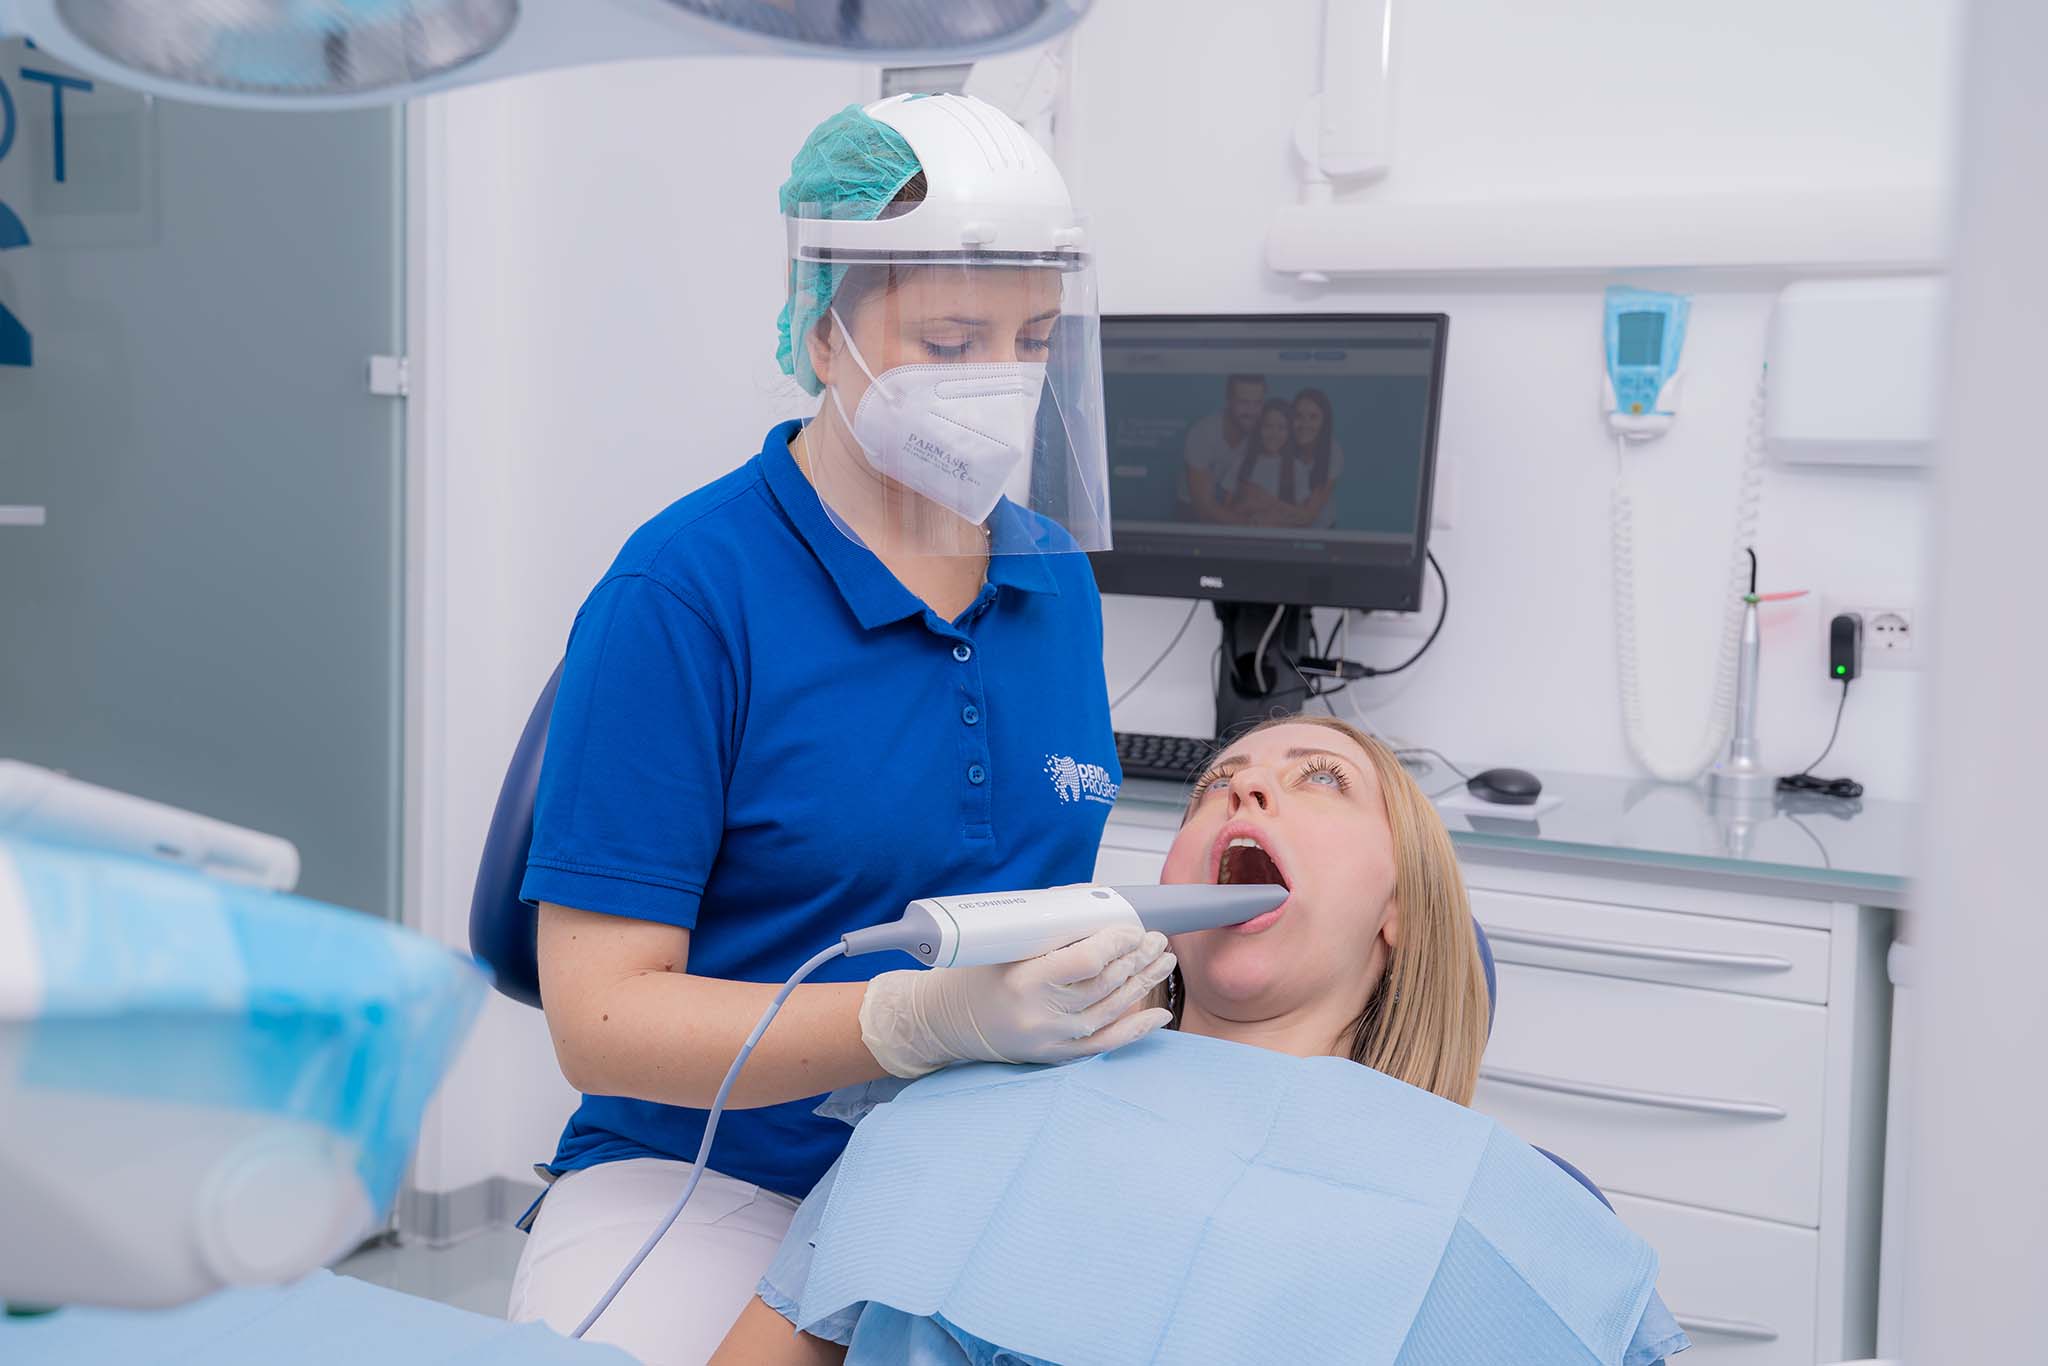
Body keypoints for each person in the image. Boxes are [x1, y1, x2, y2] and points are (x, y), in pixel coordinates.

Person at [504, 94, 1173, 1365]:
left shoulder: (1051, 584)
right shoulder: (686, 594)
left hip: (979, 1162)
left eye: (1031, 338)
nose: (1002, 379)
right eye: (949, 337)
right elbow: (598, 1021)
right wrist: (907, 1021)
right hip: (710, 1173)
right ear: (823, 328)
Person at [717, 716, 1688, 1365]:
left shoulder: (1490, 1210)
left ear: (1399, 907)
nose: (1244, 795)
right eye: (1214, 787)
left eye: (1320, 781)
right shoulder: (959, 1108)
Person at [1230, 387, 1344, 529]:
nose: (1305, 424)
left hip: (1321, 528)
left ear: (1324, 422)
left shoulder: (1332, 452)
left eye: (1313, 417)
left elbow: (1308, 516)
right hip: (1282, 526)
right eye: (1298, 416)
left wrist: (1264, 500)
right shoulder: (1281, 441)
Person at [1179, 373, 1266, 522]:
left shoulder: (1264, 432)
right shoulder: (1202, 433)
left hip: (1236, 508)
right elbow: (1204, 508)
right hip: (1192, 510)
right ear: (1229, 400)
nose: (1251, 411)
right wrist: (1251, 528)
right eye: (1244, 402)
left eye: (1257, 403)